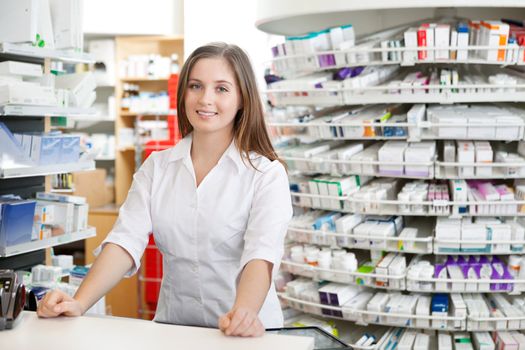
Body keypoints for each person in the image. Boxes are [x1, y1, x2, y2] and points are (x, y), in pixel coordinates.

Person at [37, 42, 293, 337]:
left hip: (246, 333)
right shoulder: (157, 167)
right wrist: (79, 303)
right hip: (176, 329)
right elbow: (124, 241)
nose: (206, 99)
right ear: (183, 93)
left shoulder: (265, 175)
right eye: (196, 86)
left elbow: (260, 255)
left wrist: (245, 311)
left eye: (221, 89)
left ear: (242, 100)